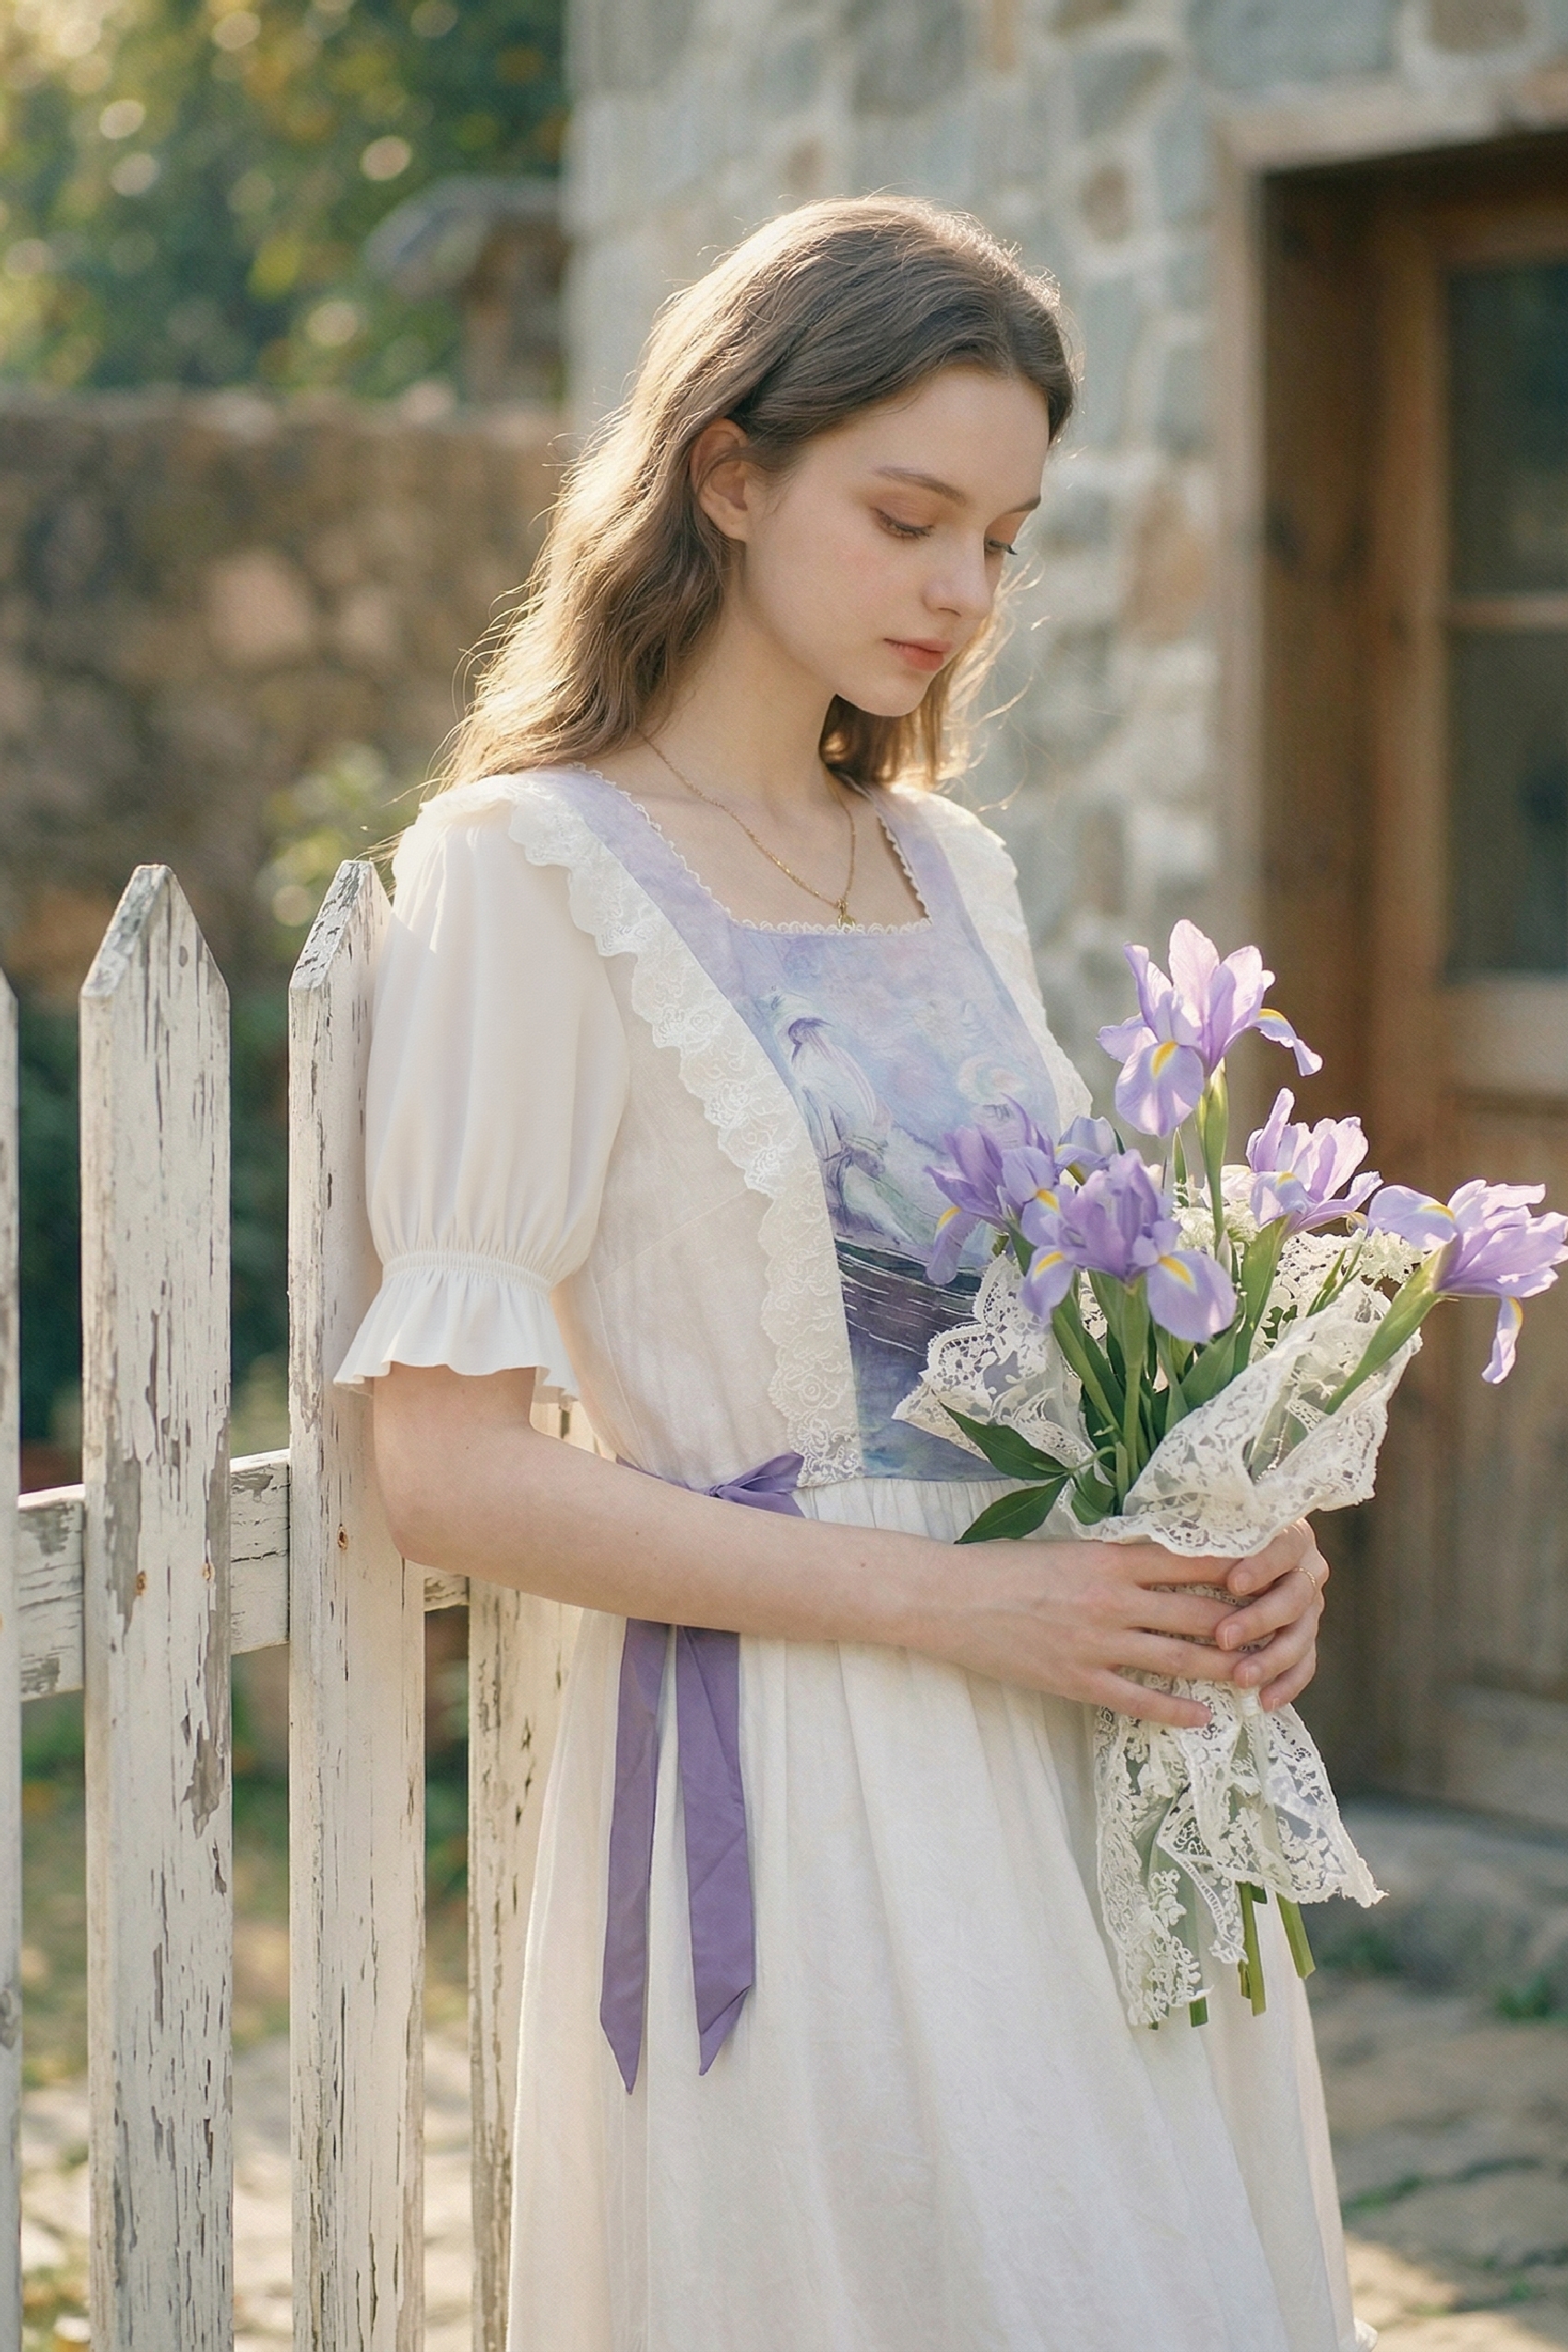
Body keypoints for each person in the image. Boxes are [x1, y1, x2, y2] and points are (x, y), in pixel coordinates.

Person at [339, 196, 1368, 2352]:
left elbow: (1052, 1341)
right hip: (812, 1787)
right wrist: (961, 1606)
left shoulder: (948, 865)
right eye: (907, 520)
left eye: (1001, 538)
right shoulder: (523, 873)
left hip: (1093, 1763)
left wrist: (1236, 1527)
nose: (962, 594)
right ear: (727, 474)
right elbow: (444, 1473)